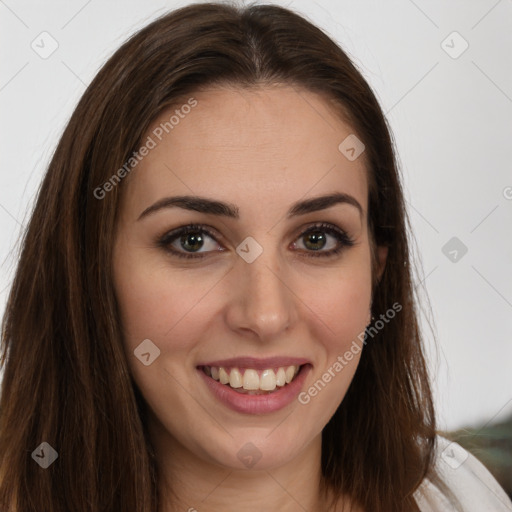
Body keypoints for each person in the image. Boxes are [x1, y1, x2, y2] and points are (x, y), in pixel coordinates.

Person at [0, 2, 511, 511]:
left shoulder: (465, 498)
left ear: (377, 269)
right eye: (193, 241)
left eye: (317, 239)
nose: (266, 315)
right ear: (90, 271)